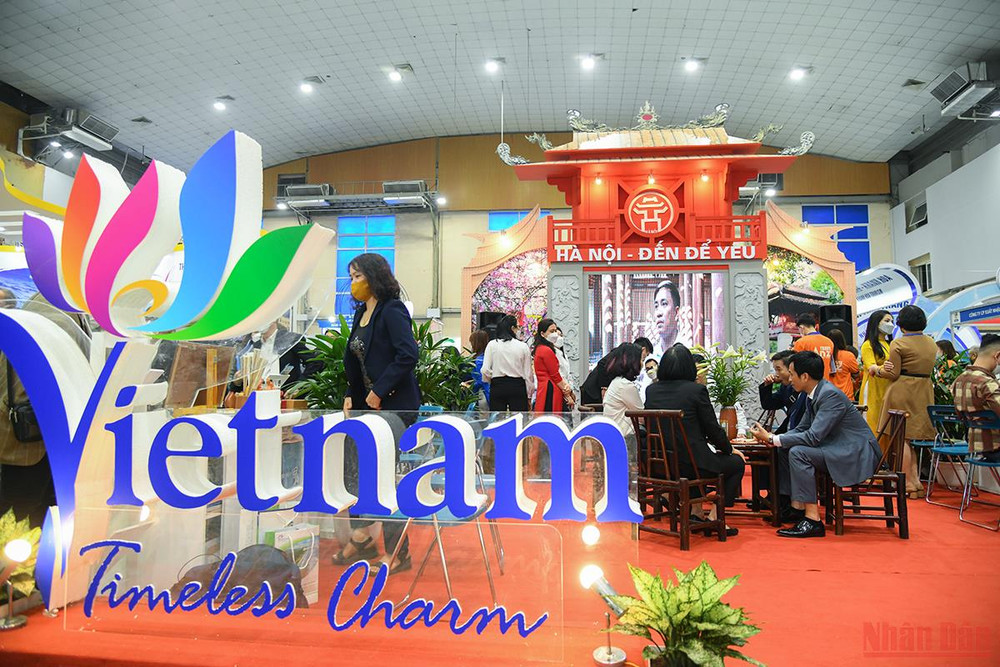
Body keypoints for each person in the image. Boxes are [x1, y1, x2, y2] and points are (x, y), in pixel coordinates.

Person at [336, 253, 421, 575]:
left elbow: (407, 355)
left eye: (358, 276)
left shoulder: (392, 310)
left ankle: (399, 553)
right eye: (351, 277)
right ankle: (362, 535)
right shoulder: (361, 313)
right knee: (352, 460)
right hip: (366, 408)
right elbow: (356, 365)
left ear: (374, 277)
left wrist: (380, 390)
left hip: (395, 407)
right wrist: (350, 393)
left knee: (380, 470)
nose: (353, 283)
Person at [749, 351, 882, 538]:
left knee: (798, 453)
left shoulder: (829, 395)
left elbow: (813, 437)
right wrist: (774, 438)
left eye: (792, 374)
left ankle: (813, 519)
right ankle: (796, 507)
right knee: (785, 449)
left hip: (856, 452)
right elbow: (802, 428)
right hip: (838, 446)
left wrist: (773, 439)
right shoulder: (814, 393)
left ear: (804, 376)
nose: (789, 378)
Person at [1, 291, 90, 527]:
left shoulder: (61, 307)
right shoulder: (54, 308)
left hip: (40, 433)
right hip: (29, 432)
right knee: (19, 507)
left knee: (36, 508)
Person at [644, 344, 744, 535]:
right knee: (736, 464)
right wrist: (729, 449)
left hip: (662, 466)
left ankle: (696, 513)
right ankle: (715, 516)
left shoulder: (652, 391)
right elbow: (712, 429)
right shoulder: (696, 390)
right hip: (692, 465)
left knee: (694, 456)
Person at [874, 305, 937, 498]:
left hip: (903, 390)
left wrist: (878, 370)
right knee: (912, 438)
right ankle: (916, 482)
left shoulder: (898, 344)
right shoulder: (931, 343)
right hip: (924, 389)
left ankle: (907, 483)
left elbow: (893, 373)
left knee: (902, 438)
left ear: (901, 324)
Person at [951, 334, 1000, 461]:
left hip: (976, 445)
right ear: (997, 356)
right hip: (994, 446)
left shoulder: (958, 381)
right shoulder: (987, 383)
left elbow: (960, 415)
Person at [482, 315, 534, 412]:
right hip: (517, 386)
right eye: (518, 327)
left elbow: (485, 370)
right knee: (519, 417)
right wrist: (529, 395)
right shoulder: (523, 346)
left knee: (497, 418)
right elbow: (528, 374)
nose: (519, 330)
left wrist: (492, 379)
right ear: (512, 328)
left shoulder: (492, 344)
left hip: (498, 385)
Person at [581, 337, 652, 406]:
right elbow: (601, 364)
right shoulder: (623, 351)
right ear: (643, 349)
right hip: (593, 391)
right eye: (647, 354)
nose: (644, 358)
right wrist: (604, 387)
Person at [860, 310, 894, 434]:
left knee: (886, 425)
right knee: (873, 424)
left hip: (888, 389)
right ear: (876, 323)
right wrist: (884, 367)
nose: (891, 324)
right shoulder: (868, 345)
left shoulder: (891, 345)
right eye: (887, 321)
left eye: (892, 321)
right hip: (873, 388)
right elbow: (871, 367)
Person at [532, 318, 574, 413]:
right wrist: (566, 391)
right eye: (551, 331)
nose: (555, 334)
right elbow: (555, 374)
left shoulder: (540, 348)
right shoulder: (546, 350)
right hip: (550, 388)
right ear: (542, 334)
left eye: (555, 331)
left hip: (545, 386)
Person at [601, 343, 643, 437]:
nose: (642, 364)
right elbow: (641, 416)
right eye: (641, 360)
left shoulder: (617, 382)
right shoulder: (626, 386)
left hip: (613, 435)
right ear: (633, 362)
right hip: (626, 438)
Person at [793, 313, 834, 379]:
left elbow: (795, 366)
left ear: (801, 327)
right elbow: (832, 368)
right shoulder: (829, 342)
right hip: (825, 382)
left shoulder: (801, 342)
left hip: (808, 382)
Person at [652, 281, 687, 355]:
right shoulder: (651, 356)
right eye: (656, 306)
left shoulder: (689, 353)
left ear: (677, 312)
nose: (658, 313)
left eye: (664, 304)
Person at [828, 329, 860, 399]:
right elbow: (856, 374)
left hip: (828, 396)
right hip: (846, 396)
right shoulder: (849, 356)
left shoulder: (825, 355)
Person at [467, 329, 490, 405]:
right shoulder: (488, 357)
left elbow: (481, 380)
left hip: (482, 396)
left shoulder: (479, 361)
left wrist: (469, 385)